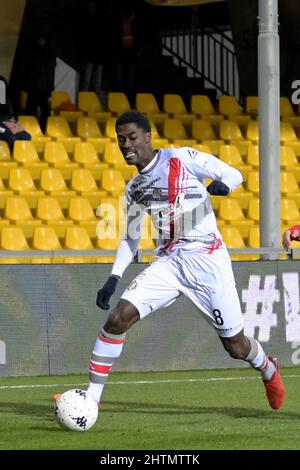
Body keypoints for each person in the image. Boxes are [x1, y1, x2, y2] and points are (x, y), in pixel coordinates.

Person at [56, 110, 286, 412]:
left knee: (235, 346)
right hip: (170, 262)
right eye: (120, 140)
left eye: (132, 138)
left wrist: (223, 187)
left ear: (148, 137)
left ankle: (268, 369)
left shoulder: (182, 158)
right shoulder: (134, 189)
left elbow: (234, 175)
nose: (126, 145)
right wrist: (113, 277)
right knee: (117, 319)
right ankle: (91, 400)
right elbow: (131, 238)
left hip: (207, 260)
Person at [23, 32, 56, 133]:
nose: (41, 41)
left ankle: (41, 130)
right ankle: (30, 130)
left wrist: (50, 88)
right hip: (36, 87)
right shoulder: (45, 53)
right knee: (32, 111)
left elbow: (49, 73)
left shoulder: (47, 54)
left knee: (43, 112)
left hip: (42, 88)